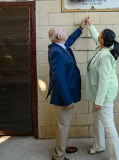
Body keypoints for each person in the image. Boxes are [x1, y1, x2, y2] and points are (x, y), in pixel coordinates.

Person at [84, 17, 119, 160]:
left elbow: (104, 81)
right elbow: (95, 37)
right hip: (98, 94)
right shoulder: (102, 47)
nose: (98, 36)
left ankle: (117, 157)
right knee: (98, 120)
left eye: (100, 34)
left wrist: (99, 102)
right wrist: (90, 25)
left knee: (108, 125)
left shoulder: (106, 55)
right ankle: (99, 145)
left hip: (104, 95)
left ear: (103, 40)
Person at [47, 24, 85, 160]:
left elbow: (69, 41)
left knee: (64, 125)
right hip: (63, 96)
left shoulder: (60, 47)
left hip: (65, 94)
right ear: (59, 36)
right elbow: (59, 78)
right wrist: (68, 99)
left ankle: (63, 146)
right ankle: (58, 155)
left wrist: (80, 28)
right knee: (63, 126)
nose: (64, 30)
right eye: (62, 30)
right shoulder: (57, 52)